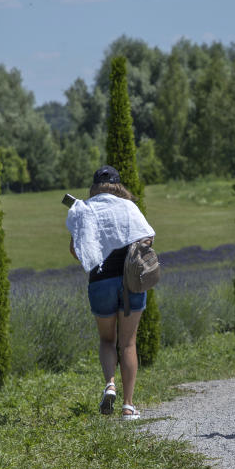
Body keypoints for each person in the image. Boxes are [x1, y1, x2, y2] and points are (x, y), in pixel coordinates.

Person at [66, 165, 155, 419]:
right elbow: (148, 238)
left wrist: (94, 260)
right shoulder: (128, 207)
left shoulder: (84, 209)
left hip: (100, 280)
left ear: (94, 186)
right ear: (118, 185)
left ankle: (110, 384)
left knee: (107, 340)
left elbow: (75, 249)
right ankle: (128, 406)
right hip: (130, 281)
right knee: (128, 343)